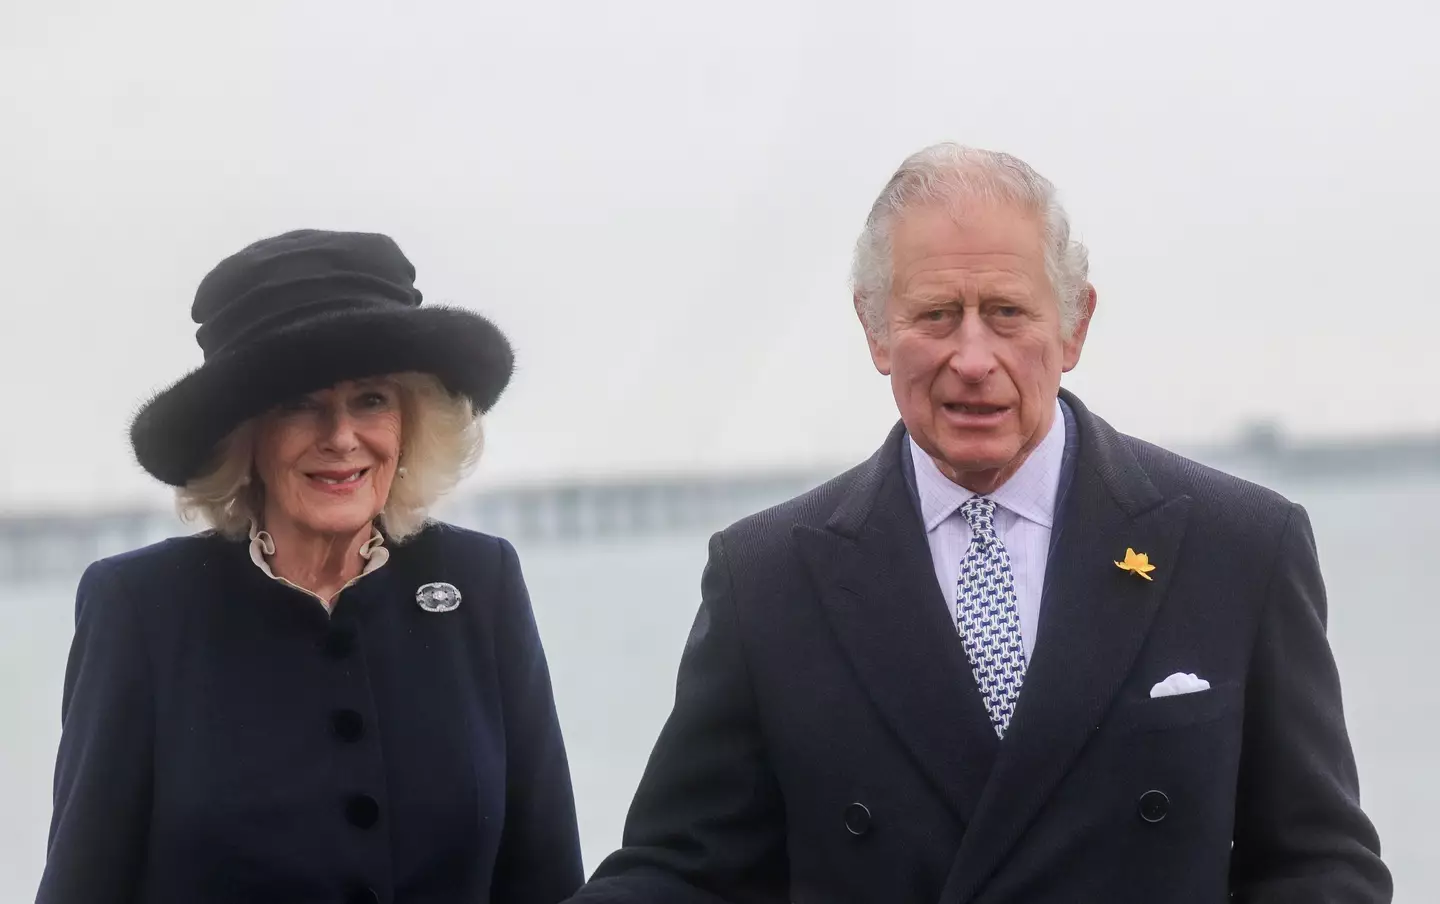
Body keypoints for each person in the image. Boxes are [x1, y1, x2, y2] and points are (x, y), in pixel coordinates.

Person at [570, 145, 1392, 903]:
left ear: (1074, 326)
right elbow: (684, 873)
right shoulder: (767, 578)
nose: (972, 357)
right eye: (935, 315)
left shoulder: (1240, 546)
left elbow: (1320, 865)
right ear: (874, 328)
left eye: (1006, 312)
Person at [36, 229, 584, 904]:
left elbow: (547, 877)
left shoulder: (481, 582)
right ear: (245, 438)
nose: (341, 437)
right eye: (300, 403)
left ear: (410, 421)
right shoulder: (140, 607)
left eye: (372, 400)